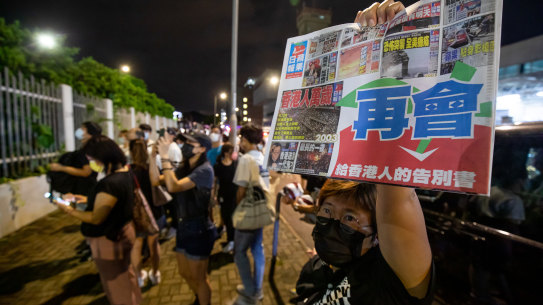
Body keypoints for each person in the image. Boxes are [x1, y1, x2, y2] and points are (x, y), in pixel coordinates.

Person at [290, 179, 433, 304]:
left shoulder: (384, 283)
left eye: (350, 218)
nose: (333, 225)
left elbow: (399, 197)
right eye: (327, 210)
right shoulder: (315, 268)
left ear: (377, 235)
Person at [55, 135, 141, 305]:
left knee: (117, 288)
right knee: (127, 276)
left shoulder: (109, 183)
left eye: (91, 159)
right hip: (123, 232)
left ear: (103, 158)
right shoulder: (125, 173)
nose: (90, 162)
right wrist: (85, 198)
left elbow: (96, 218)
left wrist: (69, 210)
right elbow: (110, 201)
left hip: (109, 240)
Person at [152, 132, 216, 305]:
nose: (186, 145)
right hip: (183, 226)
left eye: (191, 143)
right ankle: (199, 298)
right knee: (184, 273)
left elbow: (173, 186)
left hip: (199, 229)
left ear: (202, 149)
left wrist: (164, 156)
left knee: (199, 277)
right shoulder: (184, 168)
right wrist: (152, 157)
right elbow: (155, 180)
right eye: (185, 141)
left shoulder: (205, 170)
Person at [233, 124, 270, 303]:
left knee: (239, 251)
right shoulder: (263, 158)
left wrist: (238, 209)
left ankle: (250, 290)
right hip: (261, 211)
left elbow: (240, 190)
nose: (240, 142)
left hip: (249, 212)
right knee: (257, 249)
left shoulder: (246, 159)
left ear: (246, 140)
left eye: (241, 139)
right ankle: (258, 289)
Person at [129, 139, 164, 287]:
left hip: (136, 215)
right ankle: (155, 273)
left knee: (137, 245)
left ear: (131, 152)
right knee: (154, 244)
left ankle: (139, 277)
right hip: (154, 211)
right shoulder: (152, 168)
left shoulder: (128, 171)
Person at [48, 121, 102, 196]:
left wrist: (61, 168)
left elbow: (86, 172)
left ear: (90, 133)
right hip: (86, 187)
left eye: (83, 129)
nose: (79, 130)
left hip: (83, 190)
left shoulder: (87, 151)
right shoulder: (93, 148)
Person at [213, 143, 238, 253]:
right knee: (226, 217)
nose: (235, 154)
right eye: (233, 151)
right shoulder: (218, 166)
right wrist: (214, 195)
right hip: (223, 195)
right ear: (226, 153)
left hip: (235, 196)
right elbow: (215, 183)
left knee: (233, 219)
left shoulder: (236, 164)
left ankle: (232, 241)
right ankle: (231, 240)